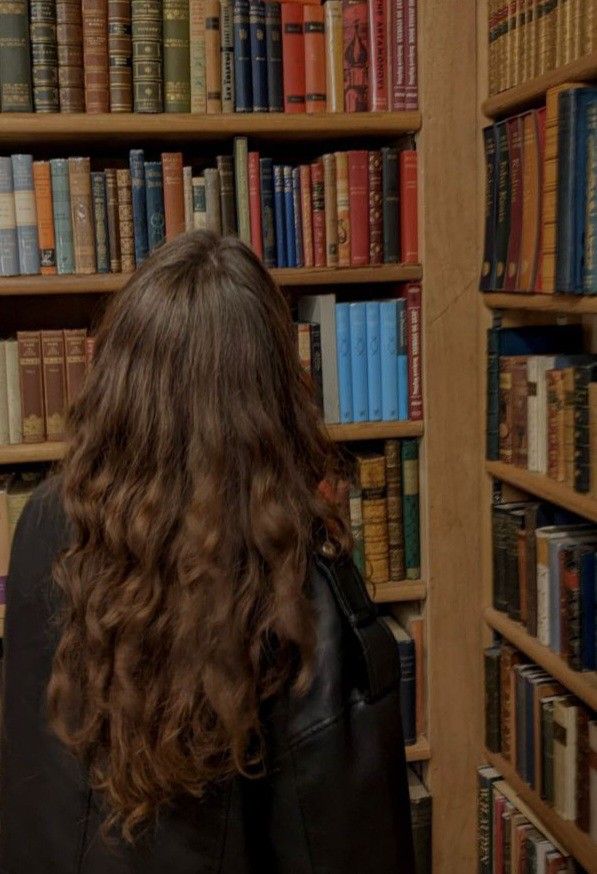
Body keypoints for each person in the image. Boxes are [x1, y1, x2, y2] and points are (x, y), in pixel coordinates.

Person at [0, 231, 415, 873]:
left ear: (117, 379)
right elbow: (338, 838)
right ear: (273, 393)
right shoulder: (296, 578)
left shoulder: (46, 522)